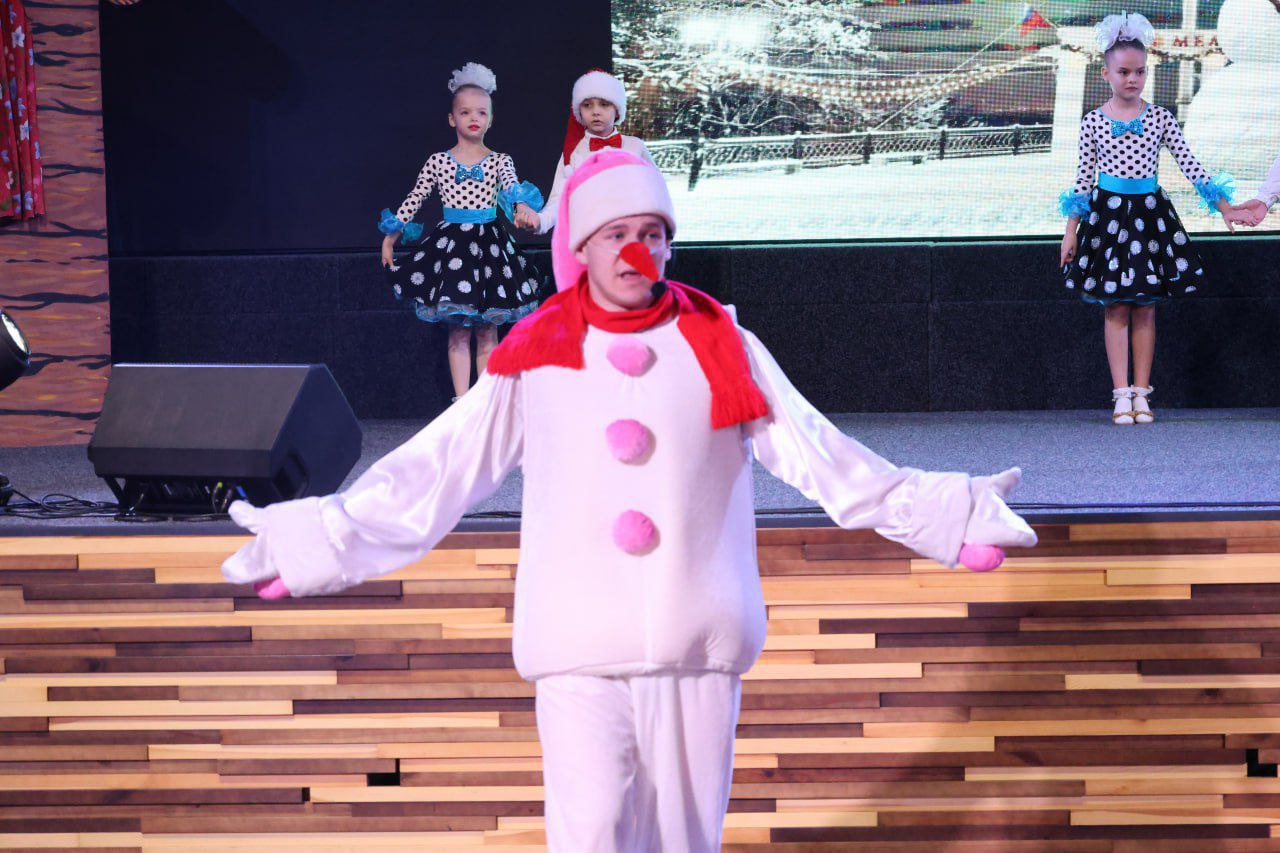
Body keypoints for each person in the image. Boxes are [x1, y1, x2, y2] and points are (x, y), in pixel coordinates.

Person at [226, 150, 1037, 852]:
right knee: (591, 829)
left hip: (694, 637)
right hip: (578, 640)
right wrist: (322, 538)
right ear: (582, 246)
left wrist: (942, 513)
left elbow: (824, 455)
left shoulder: (723, 342)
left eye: (652, 232)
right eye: (616, 232)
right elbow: (438, 468)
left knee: (684, 838)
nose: (636, 248)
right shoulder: (535, 350)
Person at [1057, 13, 1236, 425]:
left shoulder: (1160, 118)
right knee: (1116, 306)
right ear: (1106, 74)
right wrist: (1070, 232)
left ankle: (1142, 392)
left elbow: (1190, 164)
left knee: (1146, 307)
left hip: (1149, 220)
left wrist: (1224, 204)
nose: (1133, 79)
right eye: (1124, 72)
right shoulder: (1093, 122)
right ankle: (1120, 394)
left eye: (1139, 71)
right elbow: (1082, 181)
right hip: (1108, 221)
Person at [378, 62, 546, 399]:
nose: (474, 118)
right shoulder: (438, 161)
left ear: (490, 120)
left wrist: (522, 207)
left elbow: (512, 188)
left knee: (487, 331)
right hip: (453, 249)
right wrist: (391, 237)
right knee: (457, 331)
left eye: (482, 112)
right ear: (452, 119)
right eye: (466, 112)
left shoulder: (500, 160)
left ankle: (483, 403)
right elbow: (415, 198)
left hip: (489, 249)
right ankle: (461, 403)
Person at [530, 68, 654, 236]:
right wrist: (540, 221)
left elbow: (656, 191)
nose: (595, 111)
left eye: (604, 104)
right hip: (588, 239)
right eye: (587, 105)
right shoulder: (573, 153)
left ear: (617, 109)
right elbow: (560, 199)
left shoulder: (636, 147)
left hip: (631, 238)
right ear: (579, 111)